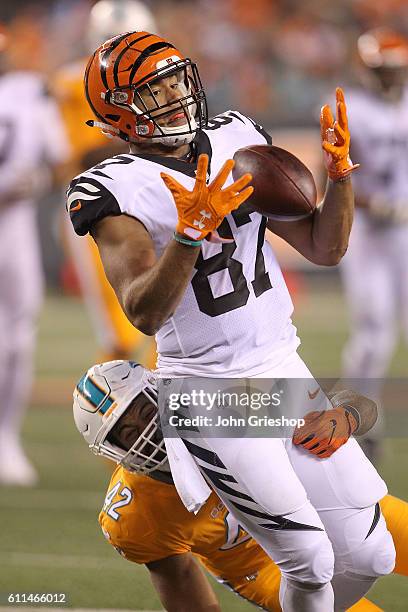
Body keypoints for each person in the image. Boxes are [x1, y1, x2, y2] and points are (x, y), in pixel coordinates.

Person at [67, 31, 395, 611]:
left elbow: (325, 247)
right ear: (118, 112)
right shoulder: (111, 188)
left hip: (281, 368)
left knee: (371, 557)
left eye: (175, 80)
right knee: (311, 562)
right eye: (152, 89)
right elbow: (144, 310)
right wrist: (189, 235)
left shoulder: (236, 138)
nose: (173, 95)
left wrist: (341, 178)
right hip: (205, 391)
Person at [73, 360, 408, 612]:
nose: (147, 431)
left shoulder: (225, 399)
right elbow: (181, 580)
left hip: (324, 508)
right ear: (114, 452)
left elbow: (361, 404)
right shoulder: (135, 513)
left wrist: (345, 415)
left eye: (146, 411)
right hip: (266, 568)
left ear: (159, 390)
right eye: (130, 433)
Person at [54, 0, 157, 364]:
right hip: (98, 211)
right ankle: (113, 418)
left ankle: (172, 416)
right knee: (122, 335)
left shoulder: (158, 83)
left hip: (152, 203)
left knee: (171, 325)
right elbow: (82, 158)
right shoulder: (71, 83)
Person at [0, 22, 69, 486]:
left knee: (18, 336)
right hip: (12, 216)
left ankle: (5, 437)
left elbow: (60, 161)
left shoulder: (29, 92)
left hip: (14, 226)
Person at [340, 28, 408, 462]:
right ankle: (353, 418)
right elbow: (330, 175)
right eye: (385, 72)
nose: (393, 79)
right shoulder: (350, 111)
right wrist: (374, 202)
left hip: (404, 232)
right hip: (367, 231)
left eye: (397, 71)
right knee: (374, 332)